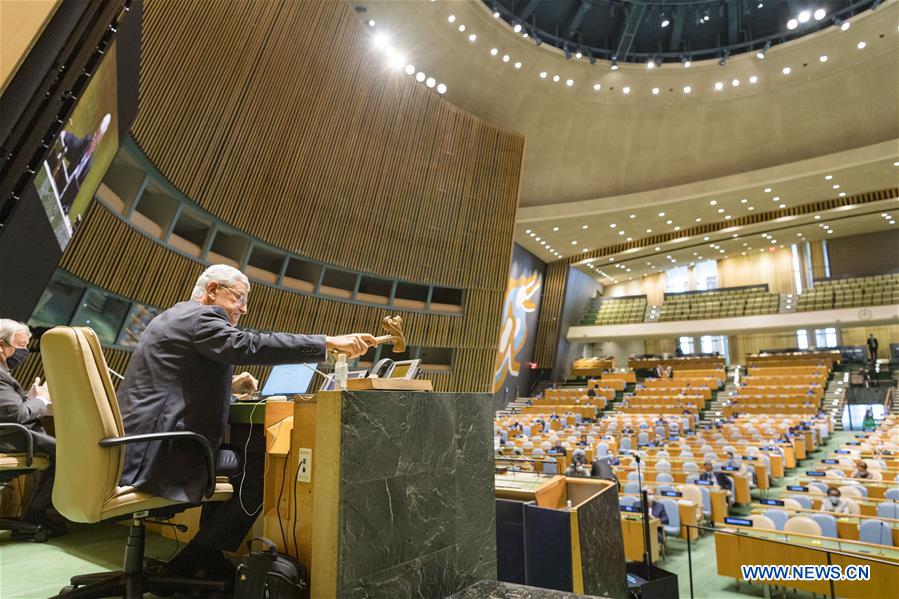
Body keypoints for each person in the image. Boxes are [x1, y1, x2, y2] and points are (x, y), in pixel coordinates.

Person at [116, 265, 376, 581]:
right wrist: (327, 344)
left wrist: (228, 387)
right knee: (261, 470)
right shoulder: (204, 318)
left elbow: (173, 381)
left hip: (139, 446)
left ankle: (204, 557)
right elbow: (250, 345)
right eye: (239, 298)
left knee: (235, 458)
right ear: (212, 290)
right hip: (161, 452)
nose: (244, 308)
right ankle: (195, 559)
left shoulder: (170, 317)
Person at [0, 319, 61, 531]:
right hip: (9, 437)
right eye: (21, 346)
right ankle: (36, 514)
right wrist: (41, 401)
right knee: (65, 455)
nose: (25, 352)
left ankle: (37, 512)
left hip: (8, 432)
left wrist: (29, 398)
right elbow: (16, 416)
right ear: (1, 345)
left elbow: (8, 409)